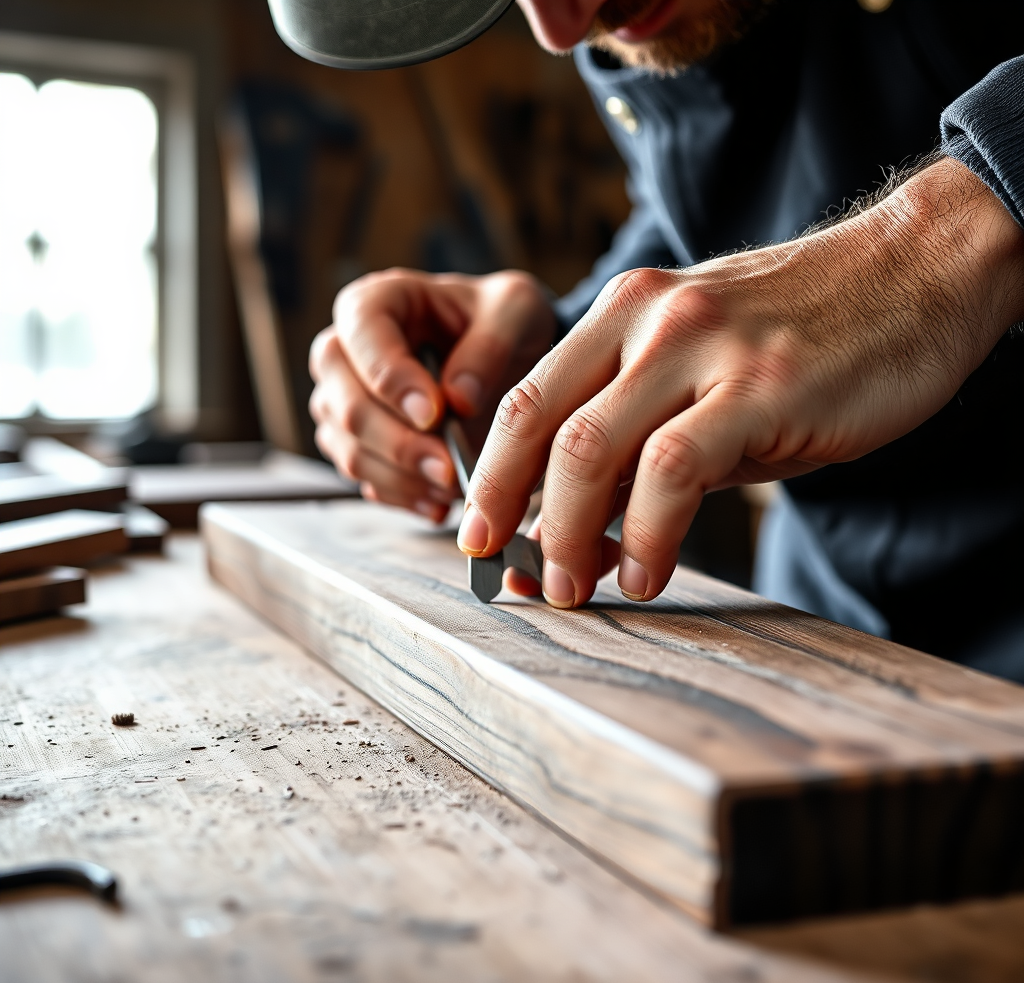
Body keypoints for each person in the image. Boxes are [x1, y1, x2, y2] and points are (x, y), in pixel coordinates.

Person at [308, 0, 1024, 680]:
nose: (560, 30)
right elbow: (706, 199)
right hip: (818, 629)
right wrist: (563, 351)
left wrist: (944, 241)